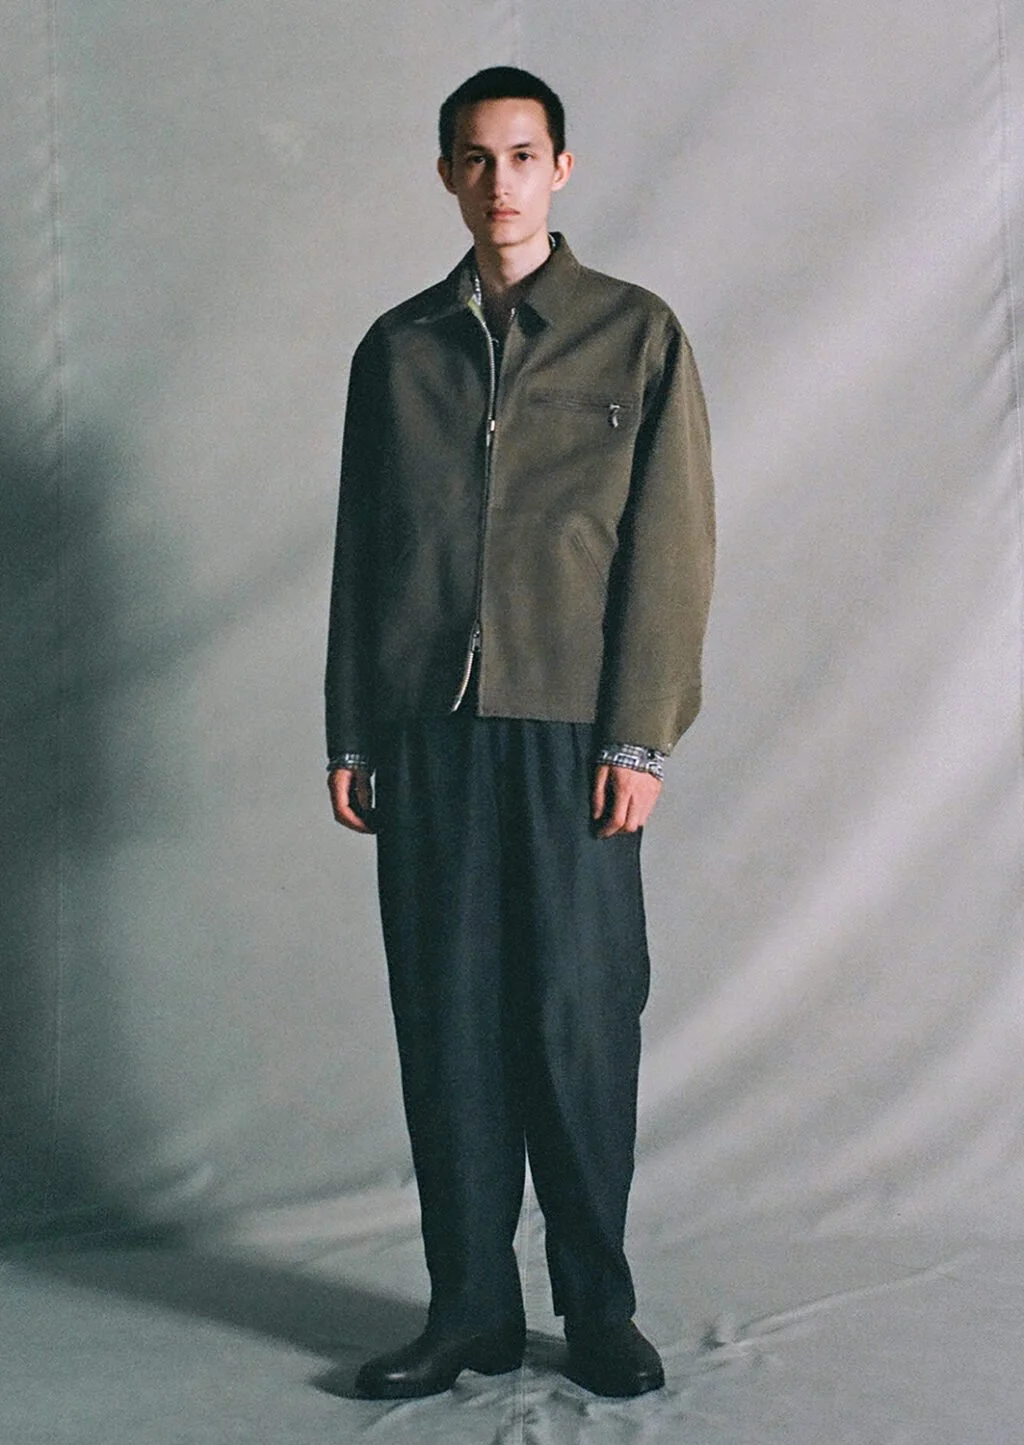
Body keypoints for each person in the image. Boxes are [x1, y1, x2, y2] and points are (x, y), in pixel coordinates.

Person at [325, 66, 714, 1401]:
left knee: (579, 1023)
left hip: (573, 737)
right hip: (428, 735)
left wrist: (640, 737)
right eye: (477, 159)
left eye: (524, 155)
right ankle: (470, 1313)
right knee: (447, 1026)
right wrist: (353, 730)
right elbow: (363, 551)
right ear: (447, 174)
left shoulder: (636, 334)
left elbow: (673, 548)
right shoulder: (397, 350)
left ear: (562, 168)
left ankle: (597, 1309)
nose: (502, 182)